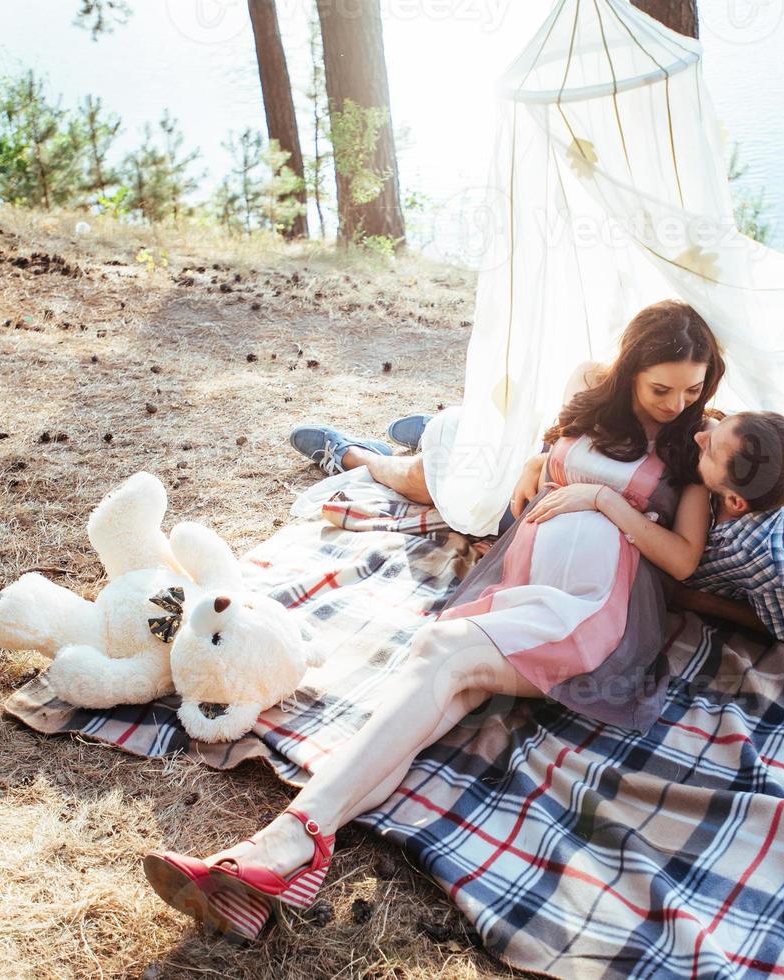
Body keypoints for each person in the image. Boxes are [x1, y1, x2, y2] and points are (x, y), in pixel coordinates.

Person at [145, 299, 731, 934]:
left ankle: (282, 845)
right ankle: (283, 859)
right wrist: (542, 464)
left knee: (437, 654)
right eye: (660, 388)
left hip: (587, 613)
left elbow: (681, 560)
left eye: (692, 389)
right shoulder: (591, 391)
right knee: (441, 691)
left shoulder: (691, 447)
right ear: (629, 370)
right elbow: (548, 449)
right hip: (524, 583)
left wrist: (601, 501)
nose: (676, 403)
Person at [290, 409, 784, 651]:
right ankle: (366, 457)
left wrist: (691, 599)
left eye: (713, 446)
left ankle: (392, 450)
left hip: (600, 508)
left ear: (735, 499)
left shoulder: (772, 557)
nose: (702, 434)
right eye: (717, 428)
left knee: (461, 473)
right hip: (577, 478)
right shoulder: (754, 457)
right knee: (451, 480)